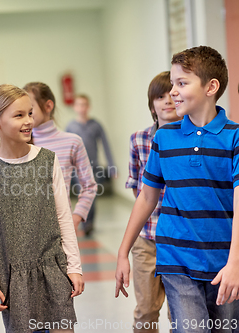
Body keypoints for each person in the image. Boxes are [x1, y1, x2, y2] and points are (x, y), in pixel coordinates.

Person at [115, 46, 239, 333]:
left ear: (211, 87)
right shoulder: (165, 137)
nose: (173, 92)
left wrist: (235, 262)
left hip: (224, 260)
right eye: (172, 84)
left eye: (182, 83)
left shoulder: (234, 137)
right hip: (176, 257)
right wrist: (123, 252)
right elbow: (147, 197)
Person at [0, 84, 84, 333]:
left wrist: (74, 267)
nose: (28, 121)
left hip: (54, 269)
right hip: (15, 280)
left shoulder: (48, 160)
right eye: (19, 115)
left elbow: (63, 217)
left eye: (30, 114)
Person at [125, 71, 181, 332]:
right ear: (151, 105)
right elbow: (139, 190)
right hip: (146, 237)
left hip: (181, 238)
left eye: (172, 94)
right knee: (146, 309)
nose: (168, 100)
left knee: (179, 311)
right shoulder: (139, 140)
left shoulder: (191, 138)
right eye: (160, 96)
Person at [23, 82, 96, 232]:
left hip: (61, 230)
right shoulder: (20, 144)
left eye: (30, 110)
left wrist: (75, 218)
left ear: (48, 106)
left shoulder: (72, 142)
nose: (26, 117)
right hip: (28, 232)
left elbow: (89, 186)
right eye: (22, 112)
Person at [65, 94, 115, 235]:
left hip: (93, 167)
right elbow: (66, 148)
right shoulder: (70, 126)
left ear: (88, 107)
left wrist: (112, 166)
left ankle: (90, 222)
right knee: (83, 193)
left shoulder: (96, 125)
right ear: (75, 107)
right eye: (79, 105)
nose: (82, 108)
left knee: (92, 195)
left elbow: (106, 145)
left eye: (84, 105)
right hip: (76, 168)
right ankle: (85, 222)